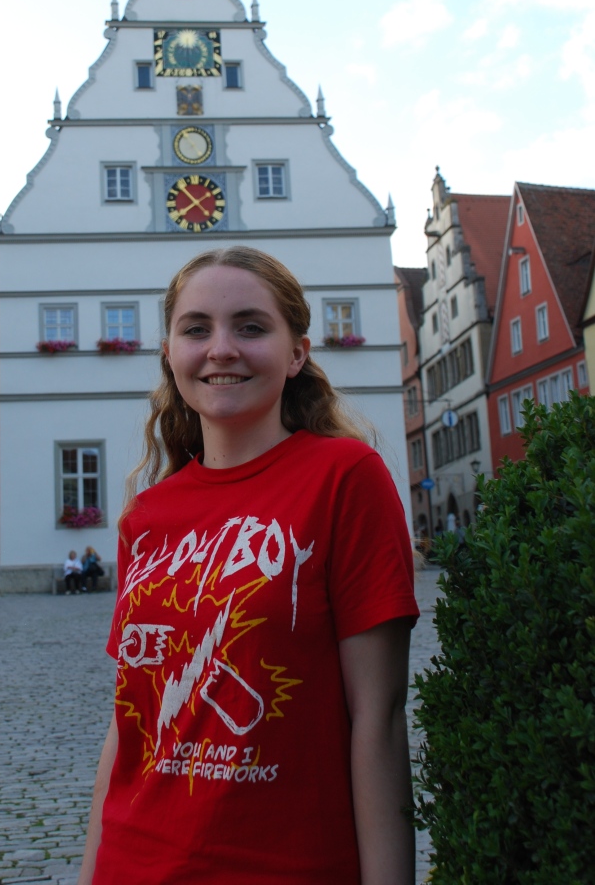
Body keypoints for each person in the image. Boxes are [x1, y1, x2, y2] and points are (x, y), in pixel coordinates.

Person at [78, 247, 419, 885]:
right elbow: (128, 728)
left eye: (251, 327)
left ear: (296, 354)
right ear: (170, 354)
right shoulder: (146, 517)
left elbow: (379, 719)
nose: (222, 349)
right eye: (196, 329)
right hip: (132, 863)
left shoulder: (344, 479)